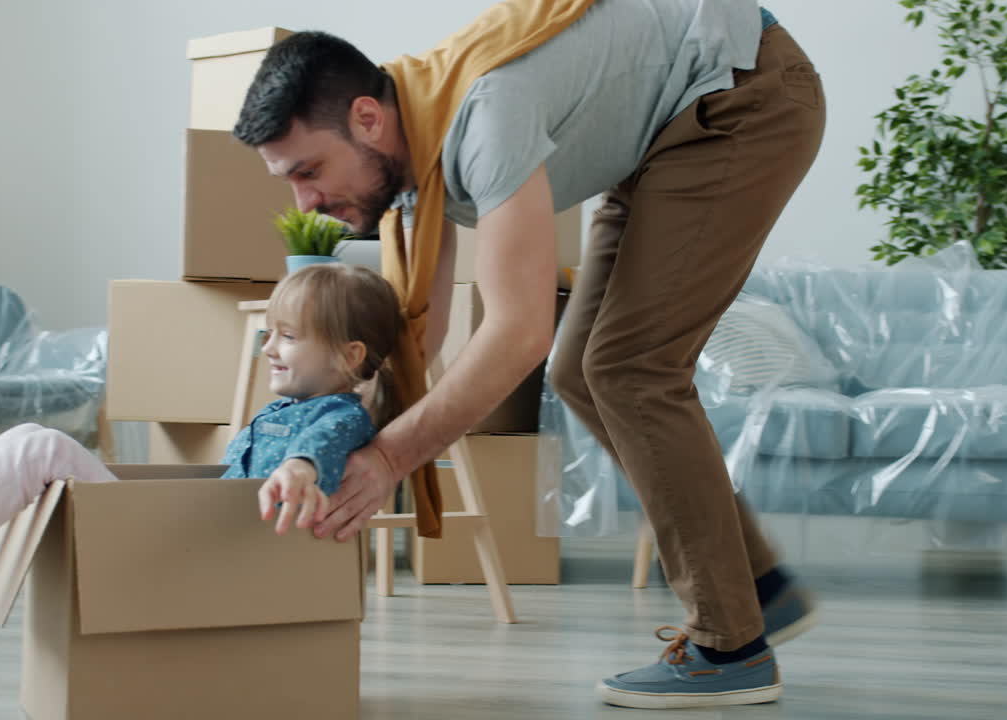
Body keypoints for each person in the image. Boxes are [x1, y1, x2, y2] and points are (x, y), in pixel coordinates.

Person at [231, 0, 824, 709]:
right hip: (667, 131)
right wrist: (321, 446)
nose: (308, 198)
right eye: (289, 183)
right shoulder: (417, 150)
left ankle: (732, 646)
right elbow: (408, 343)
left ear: (367, 119)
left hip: (742, 94)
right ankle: (755, 587)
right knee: (584, 371)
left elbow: (516, 334)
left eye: (309, 170)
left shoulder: (484, 114)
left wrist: (389, 458)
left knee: (629, 370)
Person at [0, 263, 407, 639]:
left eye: (287, 335)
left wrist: (299, 469)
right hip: (182, 546)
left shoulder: (339, 417)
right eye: (269, 333)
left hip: (189, 566)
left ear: (348, 354)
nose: (268, 348)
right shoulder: (280, 412)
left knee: (34, 448)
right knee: (29, 445)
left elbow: (322, 446)